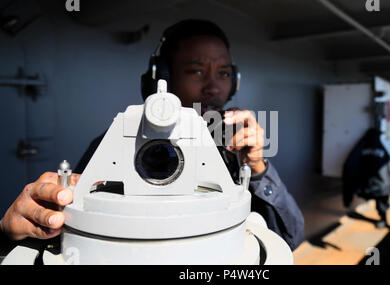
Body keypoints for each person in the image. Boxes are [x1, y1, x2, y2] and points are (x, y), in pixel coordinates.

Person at [0, 19, 304, 251]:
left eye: (223, 73)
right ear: (164, 78)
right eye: (196, 71)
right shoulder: (117, 143)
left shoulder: (235, 144)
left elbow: (290, 238)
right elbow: (67, 225)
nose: (213, 86)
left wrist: (259, 169)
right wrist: (23, 231)